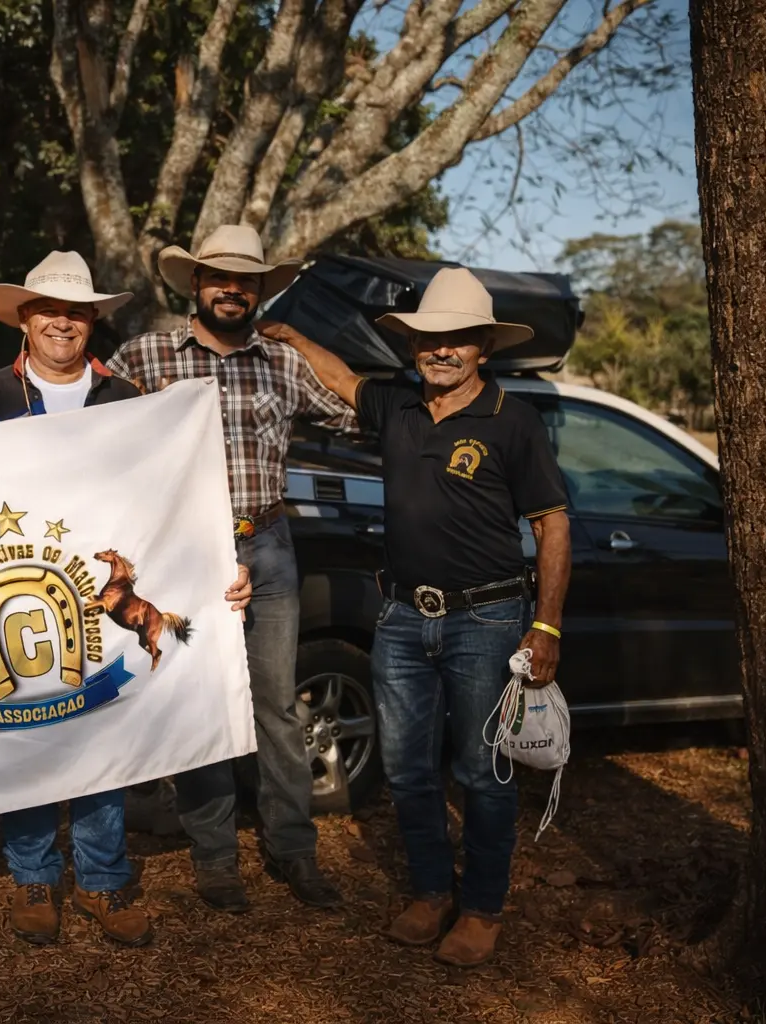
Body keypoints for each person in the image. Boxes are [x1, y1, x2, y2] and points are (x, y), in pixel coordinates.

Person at [258, 266, 572, 968]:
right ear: (414, 347)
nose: (441, 350)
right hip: (400, 617)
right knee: (406, 770)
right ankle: (432, 892)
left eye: (457, 340)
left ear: (482, 348)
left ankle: (483, 906)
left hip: (486, 621)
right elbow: (340, 379)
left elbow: (553, 525)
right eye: (430, 339)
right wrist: (290, 334)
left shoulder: (511, 420)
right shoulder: (396, 405)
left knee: (481, 770)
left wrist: (545, 626)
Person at [0, 250, 253, 947]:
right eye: (49, 311)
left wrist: (219, 561)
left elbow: (170, 501)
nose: (62, 322)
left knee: (101, 729)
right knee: (25, 724)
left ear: (91, 322)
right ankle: (33, 876)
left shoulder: (127, 400)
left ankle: (102, 881)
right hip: (16, 586)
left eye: (76, 312)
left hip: (95, 594)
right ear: (25, 321)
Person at [106, 224, 353, 913]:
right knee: (199, 702)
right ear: (195, 285)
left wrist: (301, 340)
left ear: (260, 292)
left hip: (267, 543)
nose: (232, 290)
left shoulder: (281, 362)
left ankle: (292, 849)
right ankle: (215, 857)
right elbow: (95, 443)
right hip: (183, 552)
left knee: (275, 703)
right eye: (219, 278)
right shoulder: (147, 355)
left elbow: (358, 410)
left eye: (246, 281)